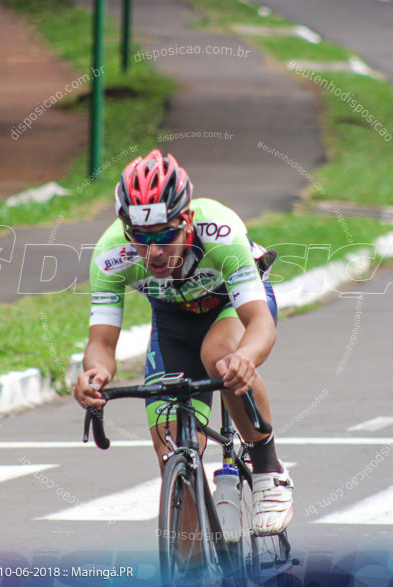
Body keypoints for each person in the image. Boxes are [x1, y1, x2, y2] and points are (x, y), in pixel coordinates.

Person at [73, 149, 293, 535]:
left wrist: (246, 357)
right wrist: (94, 373)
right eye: (140, 238)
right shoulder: (111, 254)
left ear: (187, 220)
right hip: (173, 322)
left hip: (229, 305)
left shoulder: (219, 230)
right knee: (170, 454)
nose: (153, 252)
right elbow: (102, 344)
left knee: (220, 358)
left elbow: (259, 321)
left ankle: (268, 469)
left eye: (164, 236)